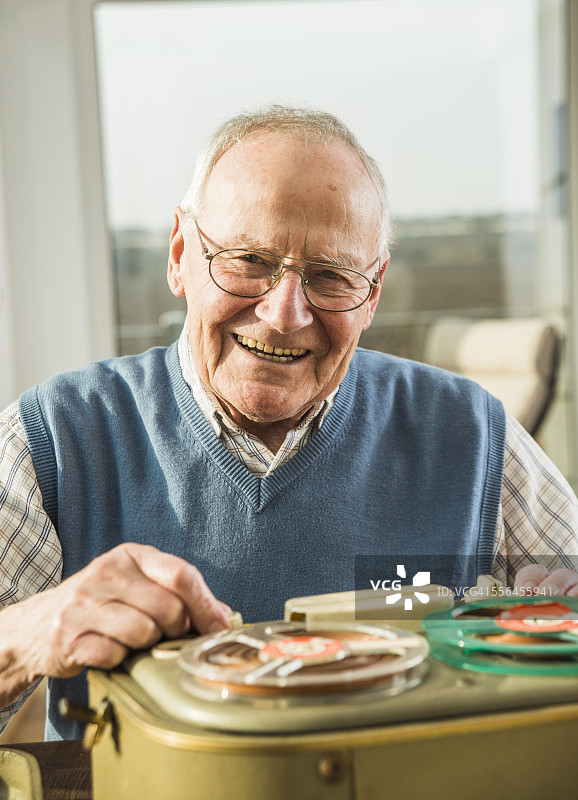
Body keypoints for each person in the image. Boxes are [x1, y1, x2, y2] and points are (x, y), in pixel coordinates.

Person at [1, 105, 577, 741]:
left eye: (331, 276)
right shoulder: (51, 439)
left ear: (374, 291)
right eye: (248, 260)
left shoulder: (476, 435)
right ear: (179, 255)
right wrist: (23, 639)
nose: (282, 314)